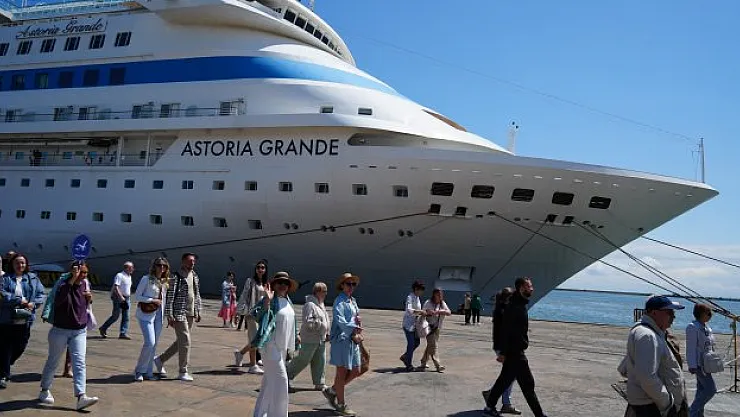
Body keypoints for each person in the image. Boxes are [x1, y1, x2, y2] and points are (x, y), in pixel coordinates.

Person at [38, 260, 99, 410]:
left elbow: (84, 305)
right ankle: (44, 390)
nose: (83, 275)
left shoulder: (85, 284)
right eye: (80, 272)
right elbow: (59, 300)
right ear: (72, 271)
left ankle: (81, 396)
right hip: (60, 330)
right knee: (53, 360)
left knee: (79, 362)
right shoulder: (63, 284)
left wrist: (89, 298)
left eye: (85, 273)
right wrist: (72, 281)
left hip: (79, 330)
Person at [483, 277, 548, 417]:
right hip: (515, 352)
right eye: (529, 286)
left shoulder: (519, 304)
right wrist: (502, 352)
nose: (532, 289)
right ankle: (539, 414)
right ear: (521, 288)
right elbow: (506, 331)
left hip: (514, 351)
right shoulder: (514, 307)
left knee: (504, 380)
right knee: (528, 384)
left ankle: (489, 407)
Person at [621, 295, 686, 417]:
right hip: (652, 406)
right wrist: (667, 402)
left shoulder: (651, 332)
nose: (673, 316)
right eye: (669, 312)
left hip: (652, 403)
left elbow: (626, 368)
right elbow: (647, 377)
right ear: (654, 313)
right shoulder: (647, 336)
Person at [251, 272, 300, 417]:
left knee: (268, 383)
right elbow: (257, 315)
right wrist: (267, 300)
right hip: (270, 347)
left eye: (286, 283)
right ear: (274, 285)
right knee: (282, 381)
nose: (283, 285)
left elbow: (291, 321)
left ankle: (260, 413)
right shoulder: (270, 299)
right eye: (279, 283)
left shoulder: (288, 301)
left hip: (282, 348)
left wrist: (296, 336)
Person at [0, 253, 46, 389]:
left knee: (21, 346)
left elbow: (41, 294)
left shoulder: (33, 278)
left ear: (26, 265)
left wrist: (33, 304)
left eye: (22, 263)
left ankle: (5, 364)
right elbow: (1, 293)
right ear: (12, 264)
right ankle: (4, 375)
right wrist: (19, 300)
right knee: (6, 347)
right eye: (17, 263)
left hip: (25, 318)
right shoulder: (5, 279)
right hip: (7, 319)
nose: (20, 265)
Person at [154, 253, 202, 382]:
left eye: (194, 261)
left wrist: (198, 310)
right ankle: (183, 371)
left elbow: (197, 295)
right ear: (183, 262)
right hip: (179, 313)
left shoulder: (195, 276)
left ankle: (160, 360)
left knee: (180, 342)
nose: (192, 263)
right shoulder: (176, 276)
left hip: (191, 313)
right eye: (190, 261)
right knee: (186, 341)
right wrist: (169, 315)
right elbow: (170, 297)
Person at [323, 272, 362, 416]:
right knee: (341, 372)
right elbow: (340, 321)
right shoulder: (339, 301)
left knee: (356, 370)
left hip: (352, 340)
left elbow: (355, 318)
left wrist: (358, 330)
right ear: (342, 285)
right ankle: (341, 404)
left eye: (353, 284)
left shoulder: (352, 300)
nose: (351, 286)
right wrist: (353, 332)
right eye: (348, 284)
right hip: (342, 340)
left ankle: (333, 390)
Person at [483, 287, 521, 415]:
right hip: (504, 347)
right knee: (510, 375)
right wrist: (503, 352)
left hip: (503, 346)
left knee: (509, 375)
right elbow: (504, 333)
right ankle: (502, 402)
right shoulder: (503, 311)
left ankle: (497, 397)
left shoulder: (502, 309)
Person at [287, 282, 330, 391]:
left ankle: (319, 382)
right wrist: (321, 326)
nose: (326, 293)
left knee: (320, 360)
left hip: (320, 338)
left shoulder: (321, 304)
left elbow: (325, 319)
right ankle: (286, 376)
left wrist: (327, 332)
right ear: (317, 292)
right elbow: (308, 322)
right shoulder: (310, 305)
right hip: (310, 338)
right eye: (324, 291)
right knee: (303, 360)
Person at [133, 257, 169, 382]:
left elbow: (164, 300)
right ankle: (139, 370)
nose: (162, 268)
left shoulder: (164, 281)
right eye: (159, 265)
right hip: (146, 314)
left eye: (164, 266)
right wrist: (152, 300)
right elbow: (137, 296)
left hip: (159, 316)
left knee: (154, 345)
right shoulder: (146, 279)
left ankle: (148, 372)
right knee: (150, 342)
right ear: (154, 266)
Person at [234, 260, 268, 374]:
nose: (260, 269)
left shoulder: (266, 283)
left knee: (259, 339)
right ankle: (253, 365)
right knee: (254, 339)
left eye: (263, 267)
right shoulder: (250, 281)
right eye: (258, 267)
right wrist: (238, 312)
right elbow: (244, 296)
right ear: (255, 269)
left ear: (265, 270)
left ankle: (240, 353)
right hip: (252, 314)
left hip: (262, 315)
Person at [686, 303, 717, 417]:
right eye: (708, 313)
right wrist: (692, 365)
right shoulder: (692, 327)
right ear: (701, 314)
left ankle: (698, 414)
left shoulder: (706, 327)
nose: (710, 315)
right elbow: (691, 347)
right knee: (710, 389)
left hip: (707, 363)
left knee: (701, 390)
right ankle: (692, 412)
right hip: (699, 364)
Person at [419, 288, 451, 373]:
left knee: (430, 345)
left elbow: (449, 312)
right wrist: (428, 313)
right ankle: (438, 365)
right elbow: (423, 313)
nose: (440, 296)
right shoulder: (428, 302)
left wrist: (439, 311)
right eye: (439, 294)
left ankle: (423, 361)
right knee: (434, 346)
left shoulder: (442, 303)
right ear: (434, 295)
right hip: (429, 328)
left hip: (437, 328)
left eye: (441, 294)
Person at [99, 261, 134, 339]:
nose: (133, 269)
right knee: (115, 316)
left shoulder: (129, 276)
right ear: (127, 268)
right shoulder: (120, 275)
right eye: (131, 268)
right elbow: (116, 287)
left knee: (126, 316)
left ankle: (123, 333)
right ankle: (103, 328)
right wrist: (121, 297)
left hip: (127, 298)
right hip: (118, 297)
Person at [400, 280, 425, 372]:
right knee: (411, 344)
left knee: (417, 343)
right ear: (416, 289)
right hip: (408, 324)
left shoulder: (417, 298)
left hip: (415, 325)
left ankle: (405, 356)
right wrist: (420, 312)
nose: (421, 292)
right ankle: (408, 364)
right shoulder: (410, 297)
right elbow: (409, 310)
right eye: (420, 290)